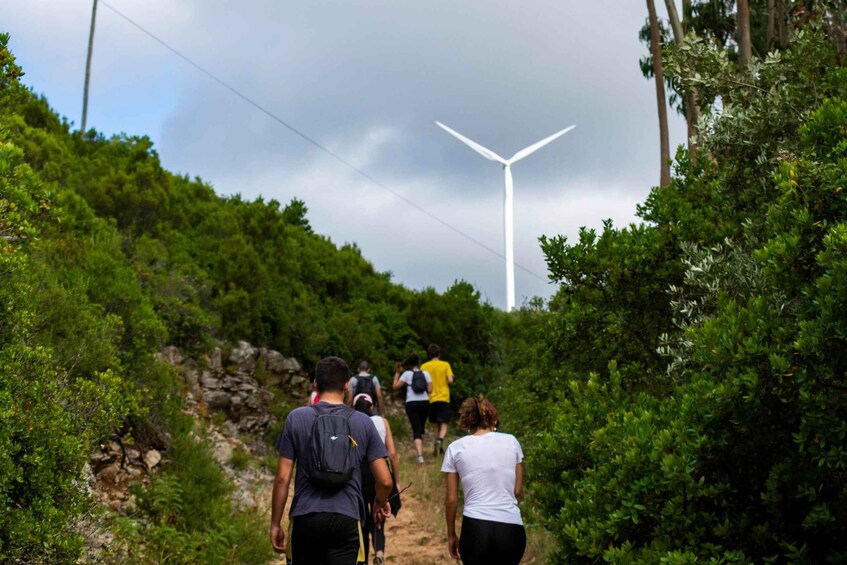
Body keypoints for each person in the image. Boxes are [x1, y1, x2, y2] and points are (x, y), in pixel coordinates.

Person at [270, 356, 393, 564]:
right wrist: (379, 503)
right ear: (347, 385)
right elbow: (385, 481)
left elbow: (282, 478)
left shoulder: (296, 418)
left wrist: (275, 523)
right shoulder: (362, 422)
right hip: (346, 518)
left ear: (315, 384)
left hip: (306, 516)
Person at [442, 396, 525, 565]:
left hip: (476, 528)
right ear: (493, 418)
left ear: (467, 420)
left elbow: (451, 500)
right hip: (511, 527)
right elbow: (517, 491)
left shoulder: (455, 448)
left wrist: (451, 535)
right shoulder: (512, 442)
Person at [352, 393, 400, 565]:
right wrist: (396, 478)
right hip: (380, 471)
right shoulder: (382, 421)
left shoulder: (350, 421)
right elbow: (392, 453)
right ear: (372, 407)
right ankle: (379, 551)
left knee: (362, 517)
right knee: (379, 513)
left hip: (360, 475)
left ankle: (362, 558)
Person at [392, 353, 432, 464]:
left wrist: (397, 372)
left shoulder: (407, 374)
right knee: (421, 428)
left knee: (416, 428)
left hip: (411, 403)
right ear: (418, 362)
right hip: (424, 402)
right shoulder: (425, 373)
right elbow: (430, 389)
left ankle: (420, 456)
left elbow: (395, 386)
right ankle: (421, 450)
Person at [420, 343, 455, 456]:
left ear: (428, 354)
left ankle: (437, 446)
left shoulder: (424, 367)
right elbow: (450, 380)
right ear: (439, 353)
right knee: (444, 424)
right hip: (444, 398)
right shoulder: (445, 365)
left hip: (431, 399)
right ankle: (440, 440)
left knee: (435, 424)